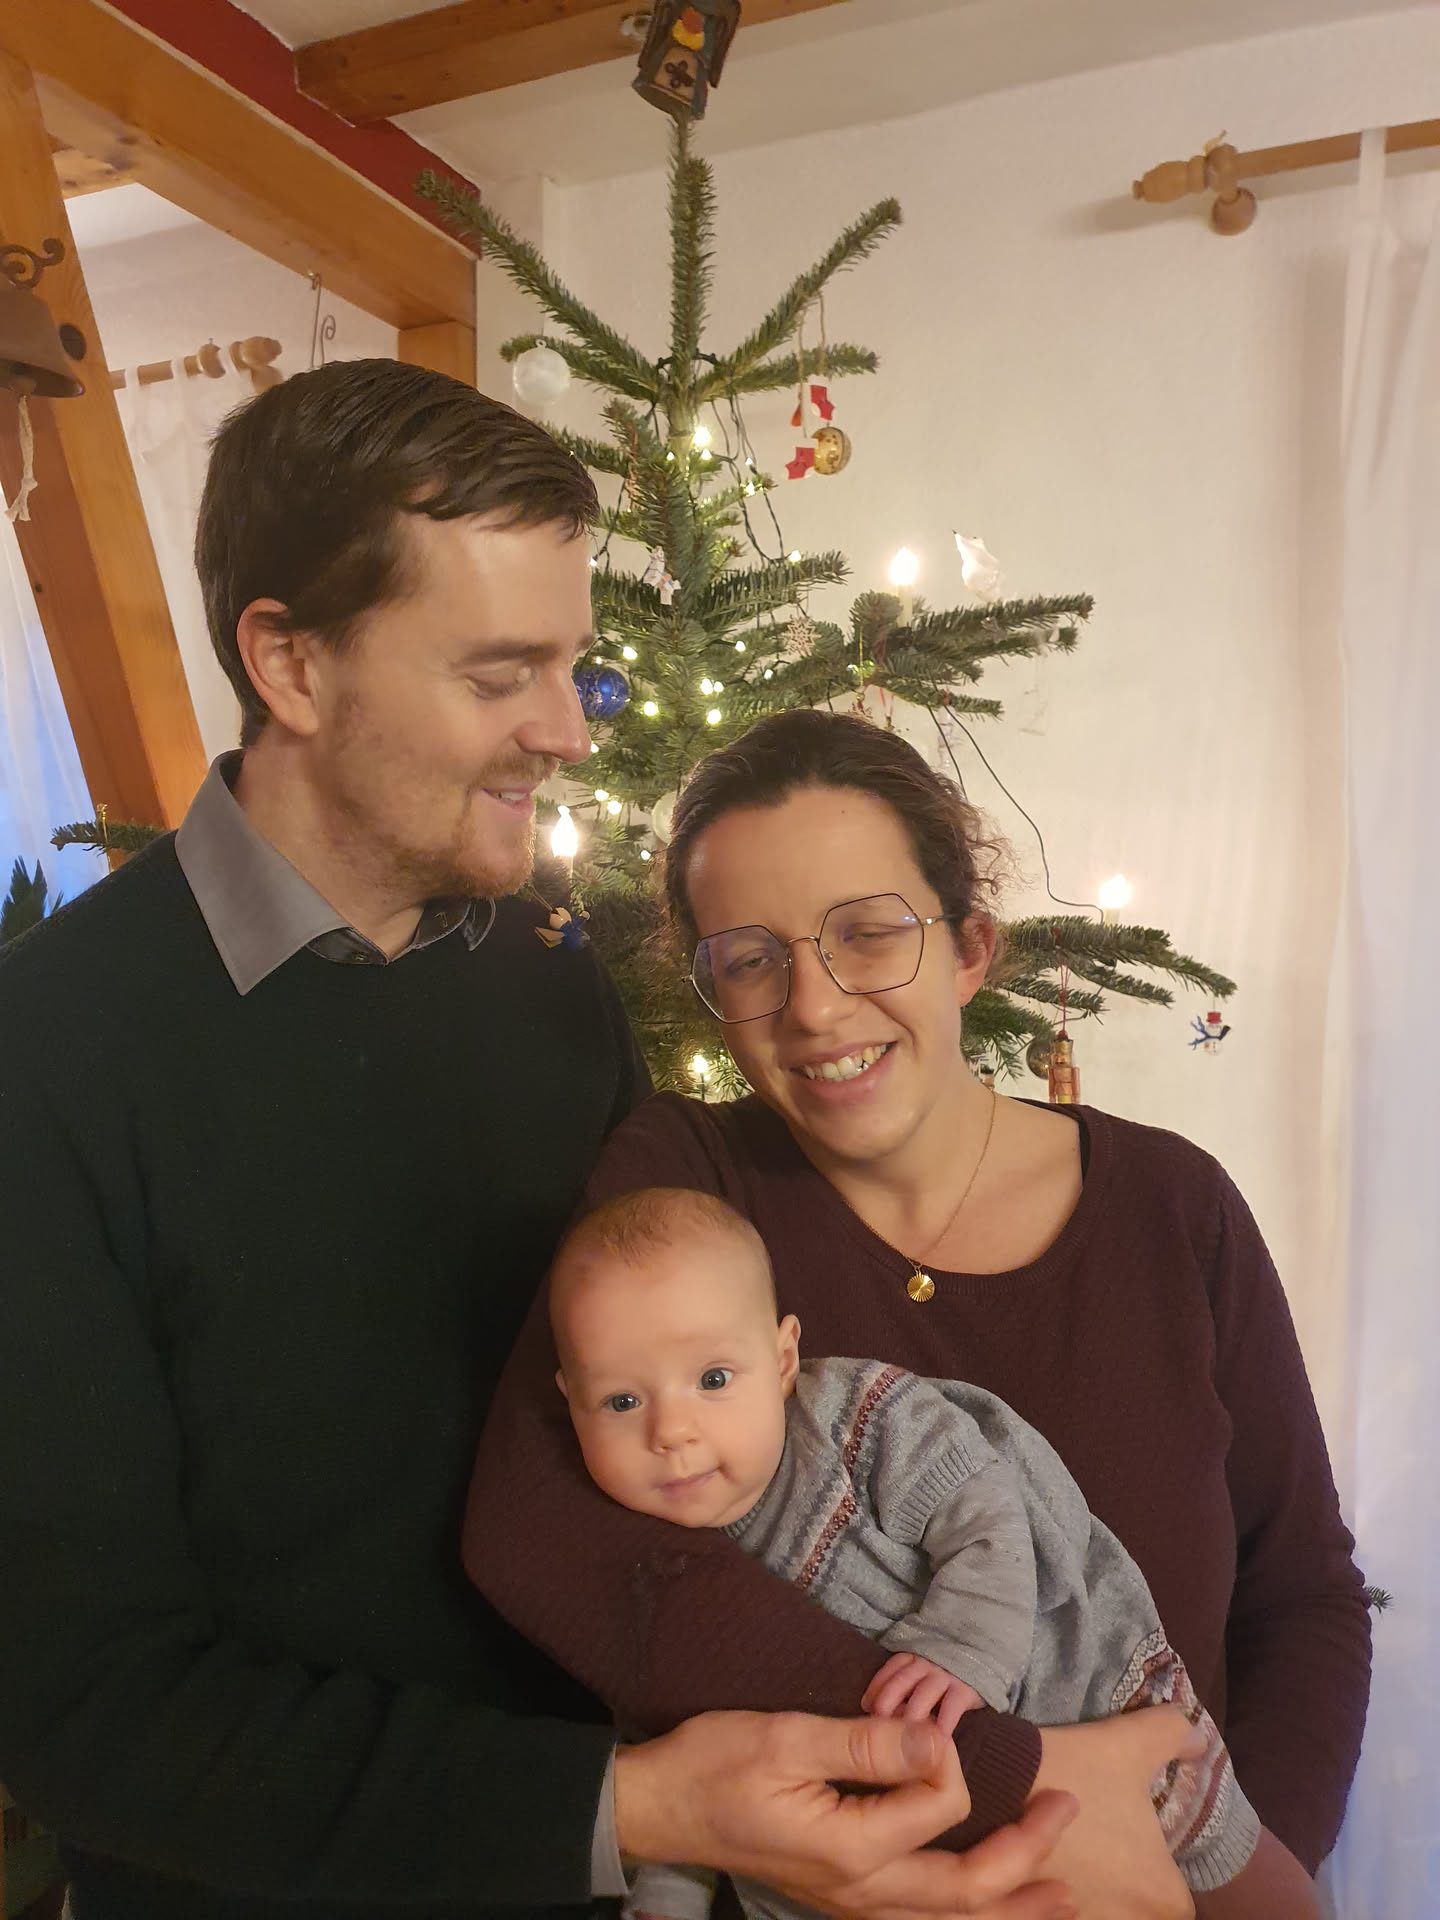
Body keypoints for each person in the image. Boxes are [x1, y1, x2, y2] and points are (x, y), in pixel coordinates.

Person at [0, 364, 1083, 1920]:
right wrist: (631, 1807)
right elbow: (87, 1710)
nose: (568, 731)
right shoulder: (43, 1063)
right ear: (290, 663)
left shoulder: (546, 974)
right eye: (501, 673)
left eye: (573, 665)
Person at [467, 707, 1371, 1920]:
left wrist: (1230, 1874)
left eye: (869, 934)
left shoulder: (1174, 1206)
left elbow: (1302, 1591)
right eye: (750, 959)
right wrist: (1014, 1782)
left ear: (970, 948)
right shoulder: (679, 1193)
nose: (815, 1006)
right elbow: (541, 1532)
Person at [545, 1185, 1322, 1920]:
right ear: (569, 1401)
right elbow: (687, 1776)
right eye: (622, 1400)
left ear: (782, 1361)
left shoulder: (857, 1421)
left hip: (1086, 1687)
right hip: (911, 1842)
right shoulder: (636, 1573)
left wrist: (962, 1647)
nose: (671, 1433)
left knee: (1229, 1856)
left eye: (713, 1378)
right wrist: (668, 1900)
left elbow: (988, 1515)